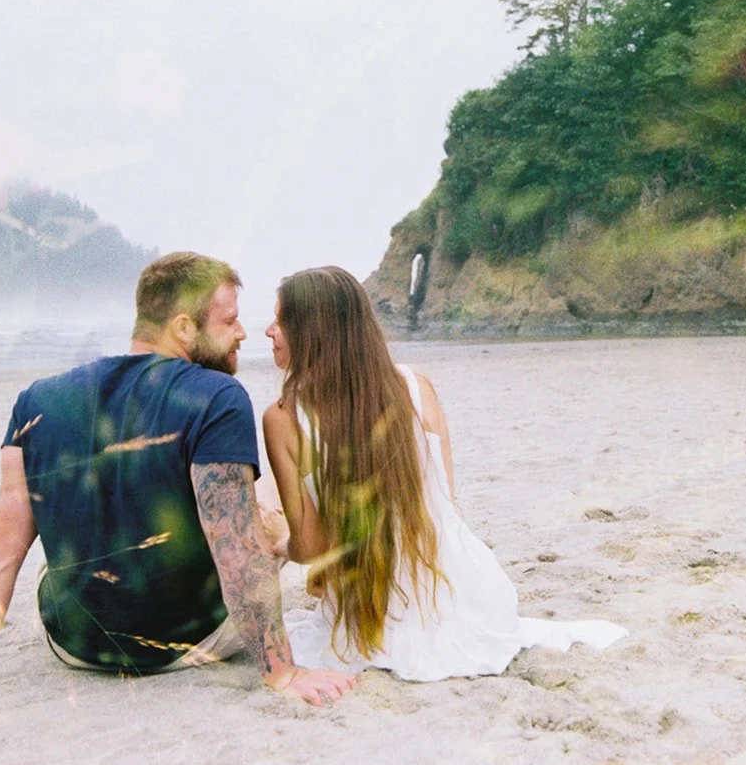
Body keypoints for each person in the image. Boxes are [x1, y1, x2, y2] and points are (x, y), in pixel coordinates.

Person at [0, 252, 355, 708]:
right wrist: (283, 673)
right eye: (228, 321)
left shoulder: (36, 400)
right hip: (183, 644)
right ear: (184, 328)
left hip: (76, 645)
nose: (243, 334)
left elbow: (2, 545)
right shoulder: (218, 397)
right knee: (263, 506)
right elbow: (238, 553)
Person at [260, 265, 626, 681]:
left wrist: (280, 541)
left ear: (313, 331)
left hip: (378, 610)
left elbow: (310, 549)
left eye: (280, 320)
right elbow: (444, 501)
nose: (269, 331)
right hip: (467, 594)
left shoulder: (284, 418)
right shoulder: (415, 384)